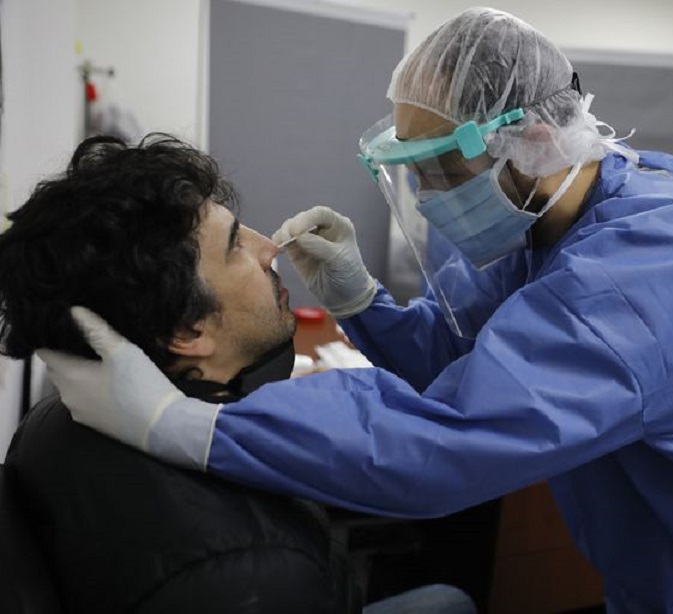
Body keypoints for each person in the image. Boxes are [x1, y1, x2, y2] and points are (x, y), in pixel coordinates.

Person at [41, 8, 673, 613]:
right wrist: (361, 298)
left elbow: (444, 443)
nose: (425, 193)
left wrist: (189, 427)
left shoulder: (648, 267)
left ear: (532, 141)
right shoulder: (552, 216)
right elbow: (464, 359)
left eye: (437, 169)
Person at [0, 134, 474, 614]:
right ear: (188, 330)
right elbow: (459, 442)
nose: (269, 249)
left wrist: (364, 303)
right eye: (234, 247)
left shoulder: (52, 418)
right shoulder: (260, 572)